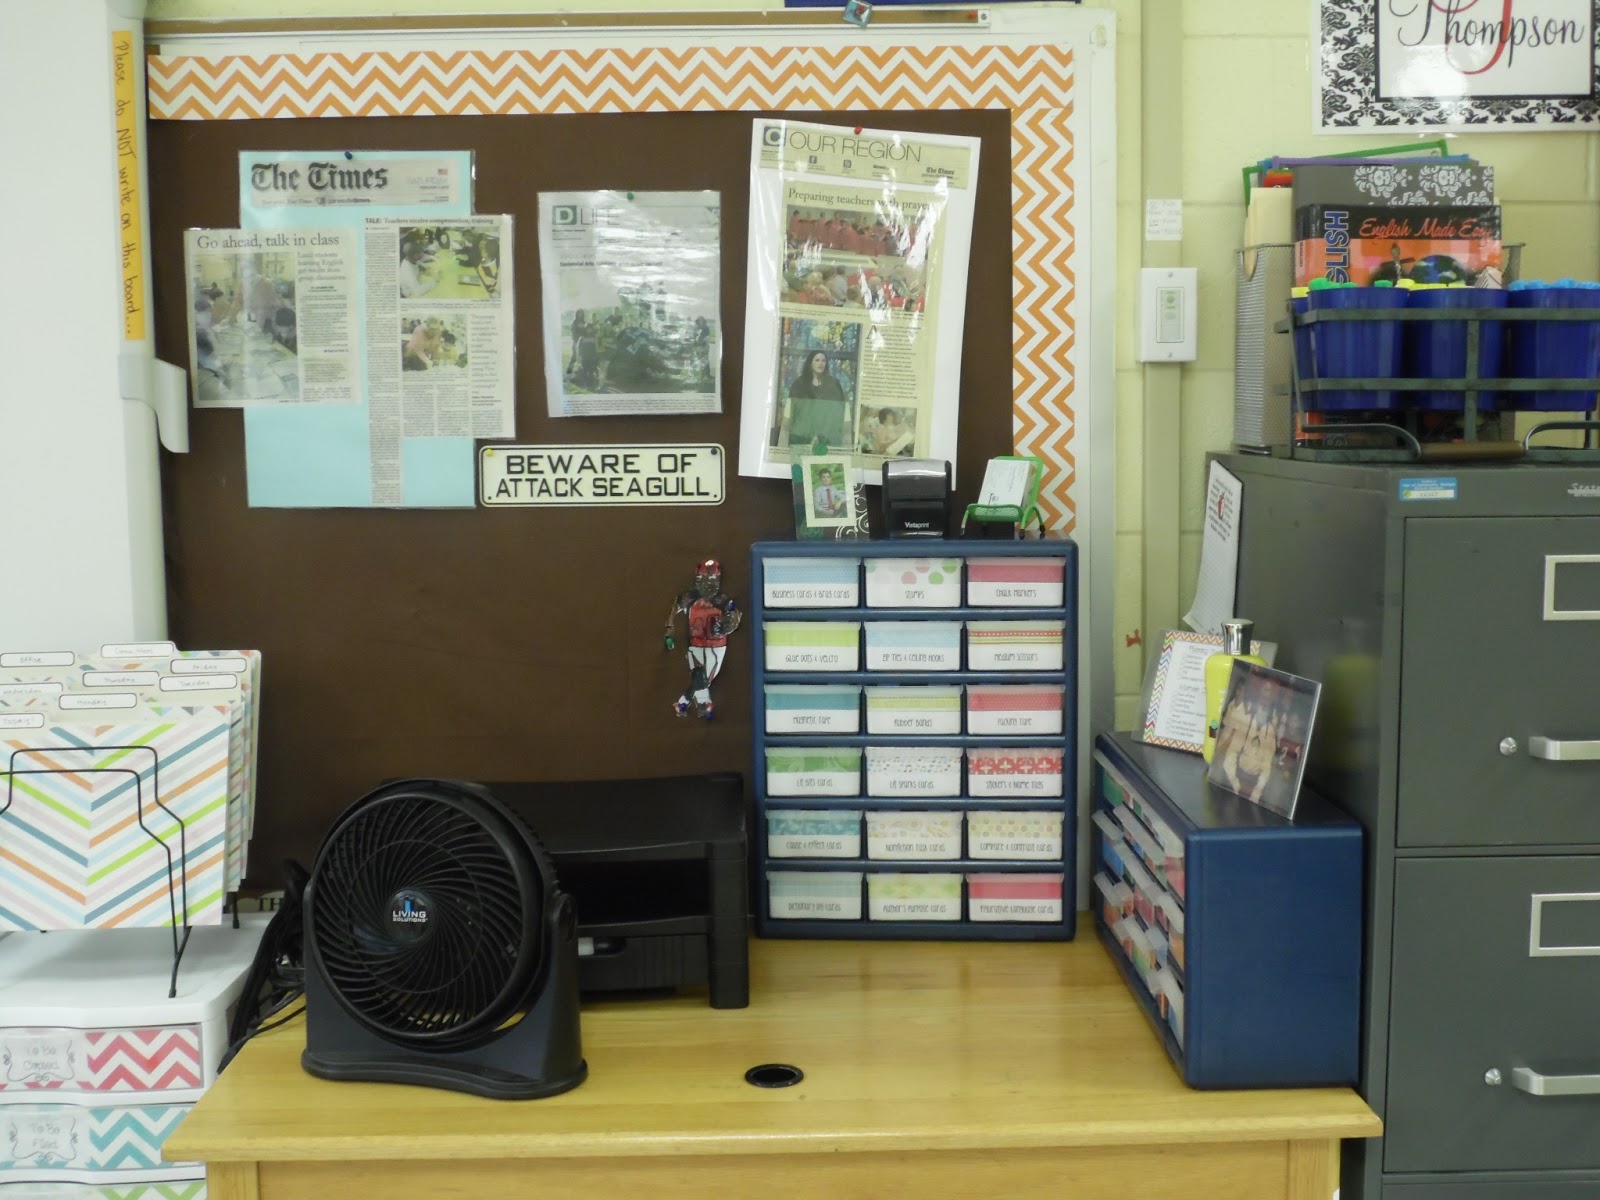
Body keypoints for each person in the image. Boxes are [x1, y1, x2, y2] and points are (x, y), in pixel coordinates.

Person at [664, 559, 741, 720]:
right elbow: (675, 608)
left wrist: (728, 624)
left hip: (716, 645)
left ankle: (685, 703)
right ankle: (702, 705)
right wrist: (669, 629)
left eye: (710, 580)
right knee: (699, 676)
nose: (706, 584)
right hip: (695, 643)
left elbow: (734, 614)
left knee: (704, 679)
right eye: (703, 579)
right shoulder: (689, 597)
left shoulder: (722, 599)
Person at [785, 350, 849, 450]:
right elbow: (792, 412)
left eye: (823, 360)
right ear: (810, 363)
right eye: (817, 360)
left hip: (827, 438)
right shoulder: (799, 384)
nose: (820, 363)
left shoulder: (833, 384)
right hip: (801, 437)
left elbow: (839, 412)